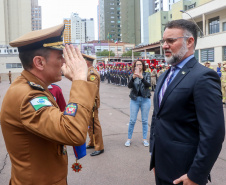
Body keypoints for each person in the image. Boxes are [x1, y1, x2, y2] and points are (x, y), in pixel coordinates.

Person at [0, 24, 98, 185]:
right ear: (39, 62)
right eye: (60, 56)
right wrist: (79, 79)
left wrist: (79, 81)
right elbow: (73, 131)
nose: (65, 61)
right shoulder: (28, 96)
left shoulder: (33, 87)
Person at [149, 19, 225, 185]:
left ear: (190, 41)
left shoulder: (203, 77)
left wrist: (196, 175)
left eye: (171, 40)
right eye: (164, 41)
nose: (164, 46)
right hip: (161, 166)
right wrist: (154, 157)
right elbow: (157, 117)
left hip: (185, 173)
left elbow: (213, 133)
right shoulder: (164, 76)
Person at [125, 60, 151, 147]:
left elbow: (148, 85)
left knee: (144, 121)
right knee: (132, 120)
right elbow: (129, 86)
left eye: (140, 64)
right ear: (135, 66)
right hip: (134, 100)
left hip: (145, 100)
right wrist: (133, 78)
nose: (139, 66)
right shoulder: (132, 75)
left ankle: (145, 139)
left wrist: (141, 77)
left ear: (143, 66)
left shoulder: (147, 74)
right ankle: (128, 139)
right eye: (137, 65)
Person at [84, 54, 104, 156]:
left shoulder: (92, 74)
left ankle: (99, 147)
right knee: (89, 124)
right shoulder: (87, 72)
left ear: (87, 62)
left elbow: (93, 90)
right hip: (87, 103)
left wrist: (92, 104)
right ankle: (92, 142)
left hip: (92, 103)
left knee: (95, 124)